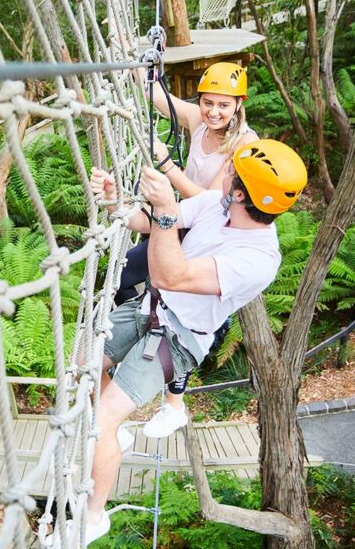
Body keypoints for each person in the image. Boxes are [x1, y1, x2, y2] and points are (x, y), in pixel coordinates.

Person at [52, 138, 307, 546]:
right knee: (78, 364)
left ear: (240, 192)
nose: (223, 171)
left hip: (180, 337)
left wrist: (168, 211)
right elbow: (147, 223)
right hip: (149, 306)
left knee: (98, 424)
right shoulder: (213, 204)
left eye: (231, 171)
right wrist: (116, 201)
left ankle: (93, 516)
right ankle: (112, 433)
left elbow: (173, 274)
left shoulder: (259, 259)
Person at [119, 62, 260, 440]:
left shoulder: (244, 145)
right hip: (180, 219)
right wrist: (135, 66)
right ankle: (135, 356)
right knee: (124, 277)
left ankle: (174, 404)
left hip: (207, 230)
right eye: (208, 103)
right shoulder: (199, 120)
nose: (214, 112)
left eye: (223, 106)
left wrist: (165, 164)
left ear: (239, 105)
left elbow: (211, 200)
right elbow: (159, 99)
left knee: (186, 317)